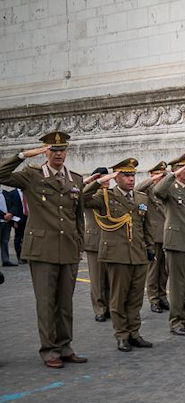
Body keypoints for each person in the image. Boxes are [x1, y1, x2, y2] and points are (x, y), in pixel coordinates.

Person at [0, 132, 89, 368]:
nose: (59, 154)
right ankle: (49, 350)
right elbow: (1, 174)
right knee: (46, 302)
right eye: (53, 149)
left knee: (65, 303)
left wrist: (79, 243)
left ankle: (65, 346)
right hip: (42, 249)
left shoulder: (76, 180)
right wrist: (21, 155)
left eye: (62, 150)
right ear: (45, 151)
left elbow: (78, 216)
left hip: (69, 248)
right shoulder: (32, 176)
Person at [83, 158, 154, 352]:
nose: (131, 179)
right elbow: (82, 199)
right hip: (117, 255)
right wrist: (96, 182)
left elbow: (145, 226)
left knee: (135, 298)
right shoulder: (106, 196)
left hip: (138, 254)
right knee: (118, 298)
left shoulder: (141, 198)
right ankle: (121, 335)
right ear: (116, 177)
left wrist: (150, 247)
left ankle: (134, 333)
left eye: (132, 175)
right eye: (125, 175)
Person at [154, 152, 185, 336]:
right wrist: (171, 175)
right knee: (177, 286)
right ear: (177, 170)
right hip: (176, 243)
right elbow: (157, 191)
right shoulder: (170, 188)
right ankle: (176, 322)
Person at [135, 161, 169, 313]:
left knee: (164, 270)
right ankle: (153, 299)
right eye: (158, 175)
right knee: (153, 271)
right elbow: (137, 188)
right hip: (154, 236)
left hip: (168, 235)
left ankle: (162, 297)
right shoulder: (147, 191)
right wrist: (153, 180)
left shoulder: (166, 190)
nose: (162, 178)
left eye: (163, 175)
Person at [83, 168, 111, 322]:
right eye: (101, 179)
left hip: (112, 241)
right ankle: (100, 309)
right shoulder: (90, 195)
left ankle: (110, 307)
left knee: (111, 278)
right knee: (97, 279)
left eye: (107, 178)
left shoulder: (113, 194)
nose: (105, 181)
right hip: (95, 241)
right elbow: (80, 196)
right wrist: (90, 183)